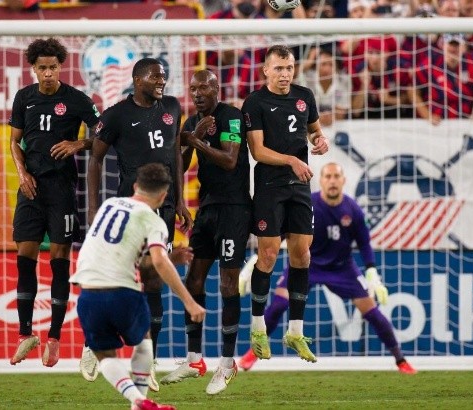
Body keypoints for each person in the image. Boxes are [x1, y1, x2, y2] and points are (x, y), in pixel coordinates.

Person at [237, 163, 418, 374]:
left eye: (336, 176)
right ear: (321, 180)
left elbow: (365, 244)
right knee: (277, 306)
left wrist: (371, 272)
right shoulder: (308, 204)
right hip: (306, 264)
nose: (332, 181)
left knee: (372, 312)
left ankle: (400, 360)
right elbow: (282, 234)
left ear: (343, 180)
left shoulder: (353, 210)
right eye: (328, 176)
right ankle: (252, 354)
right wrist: (254, 262)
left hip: (342, 268)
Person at [85, 57, 192, 391]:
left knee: (155, 281)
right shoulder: (116, 114)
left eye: (163, 75)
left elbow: (175, 154)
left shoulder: (173, 107)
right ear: (137, 79)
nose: (162, 81)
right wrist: (92, 211)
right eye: (156, 76)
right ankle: (94, 344)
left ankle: (150, 361)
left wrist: (182, 199)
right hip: (131, 208)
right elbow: (95, 159)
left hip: (165, 205)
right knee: (123, 279)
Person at [70, 163, 206, 410]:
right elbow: (158, 263)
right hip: (122, 293)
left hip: (87, 295)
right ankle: (140, 401)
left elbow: (129, 256)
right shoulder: (153, 221)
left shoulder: (108, 206)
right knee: (144, 343)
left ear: (134, 186)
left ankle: (138, 401)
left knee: (105, 357)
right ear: (164, 195)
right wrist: (189, 301)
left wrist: (167, 258)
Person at [8, 37, 101, 368]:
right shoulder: (24, 98)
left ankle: (54, 338)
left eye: (53, 67)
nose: (48, 73)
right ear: (33, 68)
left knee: (60, 257)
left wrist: (78, 144)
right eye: (42, 68)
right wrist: (21, 173)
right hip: (31, 188)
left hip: (62, 190)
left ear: (61, 66)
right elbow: (14, 142)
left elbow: (102, 132)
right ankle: (25, 334)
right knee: (25, 255)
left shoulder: (75, 100)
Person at [159, 70, 252, 395]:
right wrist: (187, 141)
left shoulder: (231, 116)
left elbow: (230, 160)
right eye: (193, 88)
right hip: (207, 209)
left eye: (203, 88)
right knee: (193, 279)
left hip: (235, 209)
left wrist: (196, 139)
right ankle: (195, 358)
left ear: (216, 89)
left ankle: (227, 363)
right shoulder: (189, 121)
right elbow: (179, 166)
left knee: (228, 283)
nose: (197, 93)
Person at [241, 44, 329, 364]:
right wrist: (292, 159)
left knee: (302, 254)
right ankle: (257, 327)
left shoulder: (305, 95)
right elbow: (258, 151)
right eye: (278, 68)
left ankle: (294, 331)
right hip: (269, 186)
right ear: (266, 70)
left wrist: (320, 141)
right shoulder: (255, 101)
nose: (285, 74)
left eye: (289, 68)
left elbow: (315, 131)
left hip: (300, 185)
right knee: (267, 254)